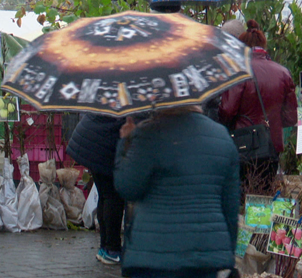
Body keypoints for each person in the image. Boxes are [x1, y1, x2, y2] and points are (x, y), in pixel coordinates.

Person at [113, 106, 240, 278]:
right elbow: (231, 208)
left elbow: (127, 187)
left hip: (153, 255)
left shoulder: (147, 134)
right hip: (205, 257)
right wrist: (226, 254)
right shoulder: (222, 137)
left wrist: (126, 142)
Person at [219, 19, 297, 190]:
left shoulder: (238, 72)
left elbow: (227, 111)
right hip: (272, 148)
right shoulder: (283, 73)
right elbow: (291, 118)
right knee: (264, 200)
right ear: (264, 44)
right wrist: (271, 121)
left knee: (241, 199)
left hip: (243, 146)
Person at [66, 114, 129, 265]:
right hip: (101, 144)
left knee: (105, 194)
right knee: (113, 196)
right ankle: (112, 249)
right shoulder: (128, 97)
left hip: (91, 140)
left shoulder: (112, 93)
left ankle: (105, 247)